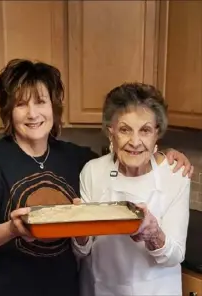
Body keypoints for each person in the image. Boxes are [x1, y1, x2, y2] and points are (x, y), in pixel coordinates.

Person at [0, 59, 192, 296]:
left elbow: (132, 154)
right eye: (21, 104)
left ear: (53, 107)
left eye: (41, 101)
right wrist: (11, 230)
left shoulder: (78, 160)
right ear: (8, 111)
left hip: (64, 289)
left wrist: (165, 155)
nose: (33, 113)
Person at [79, 82, 191, 296]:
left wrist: (153, 234)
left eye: (145, 130)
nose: (135, 141)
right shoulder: (93, 172)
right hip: (102, 288)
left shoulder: (175, 175)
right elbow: (82, 251)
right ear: (110, 132)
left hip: (156, 290)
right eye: (125, 130)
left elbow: (176, 255)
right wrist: (79, 232)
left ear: (157, 133)